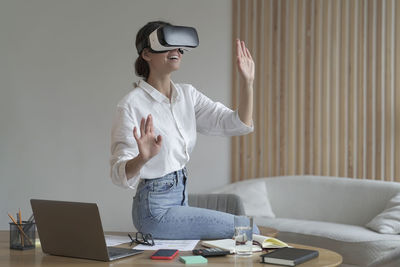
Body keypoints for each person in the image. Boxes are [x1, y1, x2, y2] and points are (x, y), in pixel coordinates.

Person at [110, 21, 258, 239]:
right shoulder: (131, 105)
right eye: (168, 44)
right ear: (147, 54)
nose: (177, 50)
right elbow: (118, 174)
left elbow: (235, 123)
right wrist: (142, 158)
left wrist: (248, 83)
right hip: (153, 210)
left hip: (180, 198)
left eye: (180, 46)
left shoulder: (188, 96)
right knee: (247, 229)